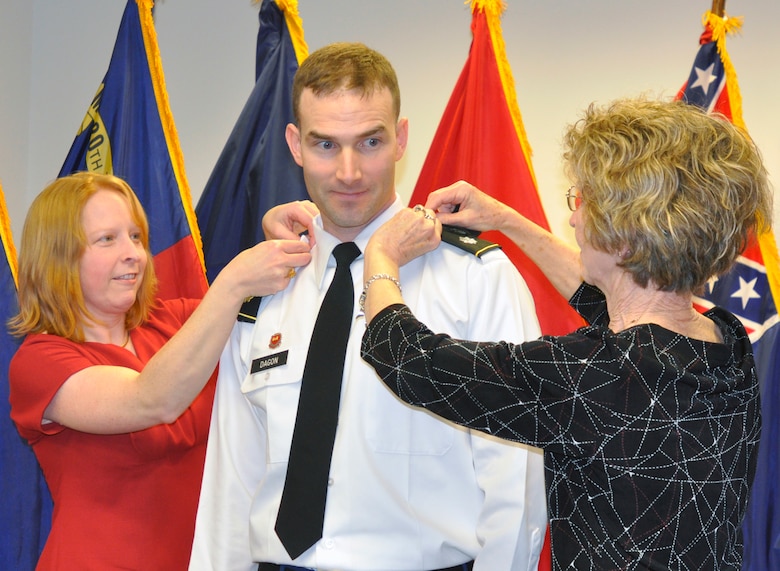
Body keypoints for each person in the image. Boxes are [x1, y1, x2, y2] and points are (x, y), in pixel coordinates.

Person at [359, 97, 772, 571]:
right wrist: (507, 221)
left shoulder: (591, 376)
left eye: (584, 201)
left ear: (625, 235)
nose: (574, 217)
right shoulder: (726, 341)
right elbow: (609, 301)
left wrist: (381, 256)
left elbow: (408, 360)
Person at [189, 42, 547, 571]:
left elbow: (515, 480)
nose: (350, 172)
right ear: (294, 144)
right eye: (326, 145)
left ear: (401, 138)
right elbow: (231, 482)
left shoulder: (476, 279)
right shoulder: (264, 285)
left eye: (370, 142)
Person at [8, 171, 312, 570]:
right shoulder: (39, 361)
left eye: (136, 236)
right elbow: (150, 400)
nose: (133, 252)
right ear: (59, 255)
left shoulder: (178, 322)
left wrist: (296, 239)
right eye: (107, 239)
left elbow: (295, 320)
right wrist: (232, 282)